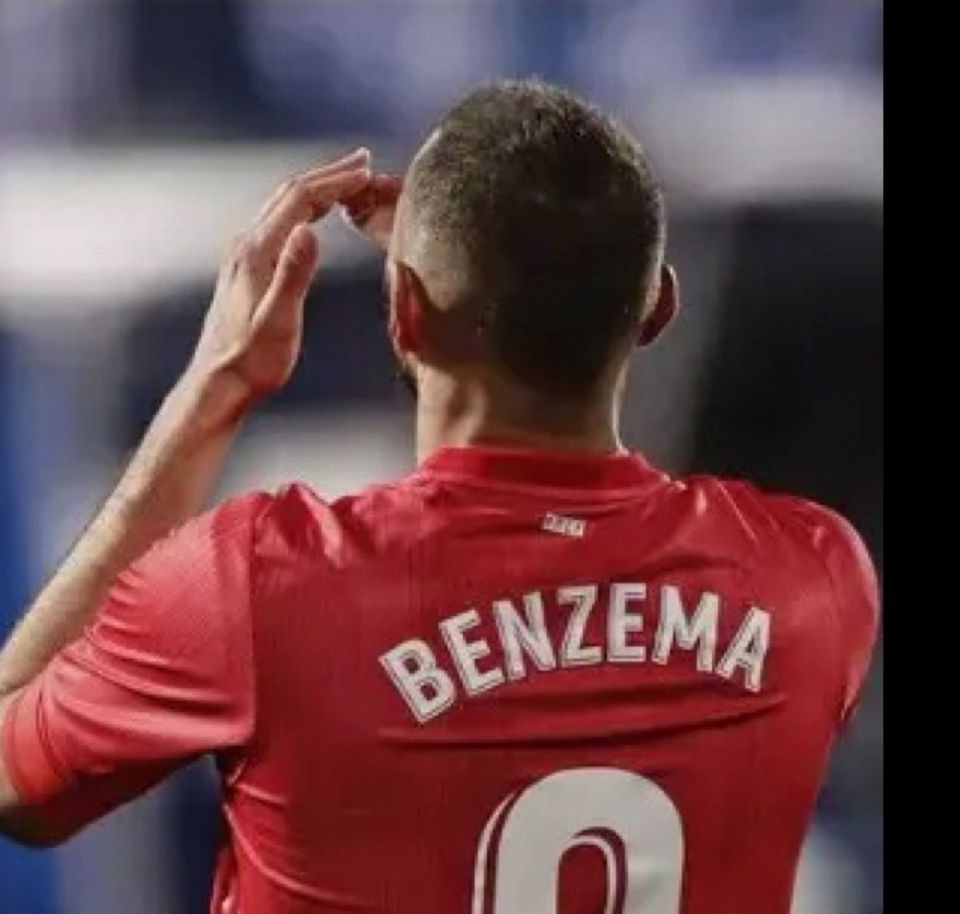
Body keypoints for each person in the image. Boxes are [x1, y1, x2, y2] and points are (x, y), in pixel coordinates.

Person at [0, 80, 878, 914]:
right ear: (657, 308)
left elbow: (12, 780)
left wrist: (212, 391)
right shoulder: (812, 581)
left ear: (403, 315)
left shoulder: (263, 585)